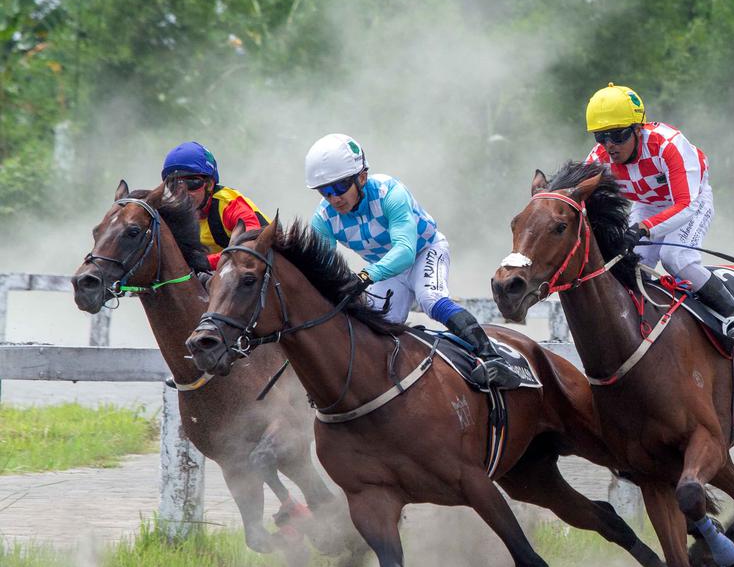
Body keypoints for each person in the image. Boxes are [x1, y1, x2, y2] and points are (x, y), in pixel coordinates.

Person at [304, 133, 520, 389]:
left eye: (340, 187)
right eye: (325, 191)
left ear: (361, 177)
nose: (334, 198)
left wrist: (363, 277)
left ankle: (493, 358)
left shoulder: (389, 192)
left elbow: (405, 251)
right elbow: (325, 272)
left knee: (431, 299)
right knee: (375, 326)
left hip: (423, 252)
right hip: (386, 270)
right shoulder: (323, 219)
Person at [583, 83, 734, 350]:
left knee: (676, 258)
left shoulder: (669, 145)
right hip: (648, 206)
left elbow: (685, 204)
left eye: (618, 136)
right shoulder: (597, 160)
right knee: (628, 264)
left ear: (637, 128)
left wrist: (644, 228)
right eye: (601, 137)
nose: (609, 146)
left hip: (691, 201)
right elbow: (580, 203)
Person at [160, 142, 268, 270]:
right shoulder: (173, 215)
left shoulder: (230, 205)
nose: (182, 193)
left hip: (266, 268)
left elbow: (251, 248)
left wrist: (206, 262)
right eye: (174, 185)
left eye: (191, 183)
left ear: (210, 184)